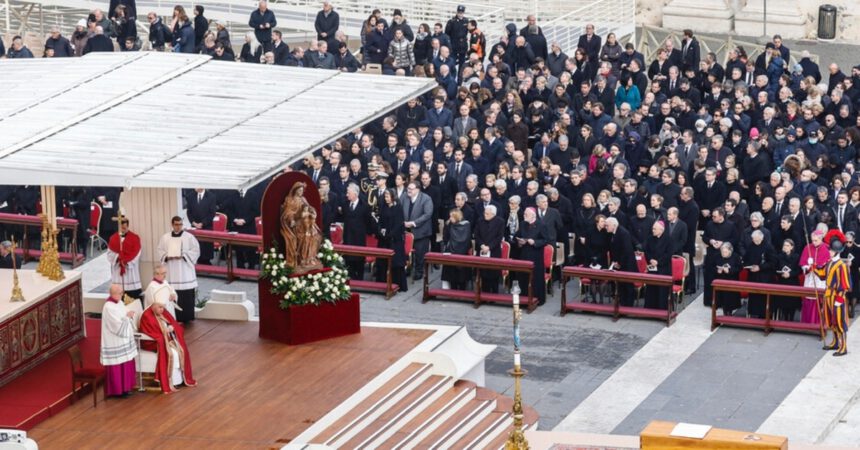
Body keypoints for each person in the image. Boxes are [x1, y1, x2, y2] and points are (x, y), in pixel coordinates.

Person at [139, 293, 198, 392]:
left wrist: (172, 328)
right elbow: (148, 332)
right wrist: (164, 333)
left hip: (168, 339)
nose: (162, 310)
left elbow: (174, 323)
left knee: (181, 350)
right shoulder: (146, 316)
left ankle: (180, 380)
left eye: (163, 307)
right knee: (173, 354)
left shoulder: (163, 311)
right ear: (153, 305)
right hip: (154, 342)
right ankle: (172, 381)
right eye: (160, 307)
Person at [155, 216, 200, 323]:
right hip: (171, 271)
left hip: (185, 272)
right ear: (172, 224)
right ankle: (173, 317)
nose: (178, 227)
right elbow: (159, 250)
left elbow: (196, 250)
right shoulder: (165, 238)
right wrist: (167, 256)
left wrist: (184, 256)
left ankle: (187, 317)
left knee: (186, 295)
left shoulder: (189, 237)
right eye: (176, 224)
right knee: (173, 293)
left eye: (180, 224)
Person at [812, 239, 850, 356]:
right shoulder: (829, 262)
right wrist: (813, 265)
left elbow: (845, 285)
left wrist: (839, 299)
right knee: (831, 321)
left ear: (837, 252)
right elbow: (823, 274)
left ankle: (843, 347)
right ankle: (835, 343)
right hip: (828, 295)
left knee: (839, 321)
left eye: (832, 250)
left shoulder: (841, 266)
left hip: (837, 297)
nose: (830, 252)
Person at [100, 284, 137, 398]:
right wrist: (127, 317)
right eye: (120, 293)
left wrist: (128, 315)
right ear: (113, 293)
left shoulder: (119, 302)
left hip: (123, 340)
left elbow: (124, 313)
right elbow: (116, 325)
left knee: (125, 363)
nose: (122, 295)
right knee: (117, 365)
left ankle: (126, 388)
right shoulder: (108, 307)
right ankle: (117, 391)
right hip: (114, 340)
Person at [515, 207, 548, 305]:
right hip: (524, 254)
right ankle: (524, 298)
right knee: (523, 277)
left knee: (536, 278)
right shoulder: (522, 224)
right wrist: (519, 242)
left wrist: (534, 242)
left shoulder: (541, 225)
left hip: (536, 255)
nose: (524, 216)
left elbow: (545, 240)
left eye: (526, 214)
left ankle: (538, 299)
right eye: (524, 214)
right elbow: (517, 236)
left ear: (533, 215)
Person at [376, 188, 407, 291]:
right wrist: (380, 231)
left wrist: (390, 234)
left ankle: (397, 284)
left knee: (395, 263)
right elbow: (380, 220)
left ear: (393, 197)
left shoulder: (398, 208)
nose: (386, 199)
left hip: (394, 240)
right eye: (385, 196)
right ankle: (382, 282)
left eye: (388, 196)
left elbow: (399, 224)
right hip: (384, 239)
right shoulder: (384, 207)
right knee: (382, 262)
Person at [107, 216, 143, 301]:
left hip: (130, 271)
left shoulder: (134, 238)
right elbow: (109, 254)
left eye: (125, 227)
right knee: (118, 294)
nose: (123, 229)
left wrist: (126, 262)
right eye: (122, 227)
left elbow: (137, 253)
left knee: (133, 300)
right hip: (118, 272)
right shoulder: (113, 238)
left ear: (128, 226)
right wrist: (118, 258)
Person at [403, 181, 433, 280]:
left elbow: (427, 214)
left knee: (420, 253)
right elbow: (399, 208)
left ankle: (419, 271)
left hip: (421, 230)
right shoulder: (404, 197)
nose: (409, 191)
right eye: (408, 188)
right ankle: (408, 268)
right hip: (406, 230)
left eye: (411, 189)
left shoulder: (426, 198)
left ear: (418, 190)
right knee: (406, 251)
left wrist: (413, 222)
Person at [605, 217, 637, 306]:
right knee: (621, 285)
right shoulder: (613, 233)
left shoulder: (623, 233)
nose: (606, 227)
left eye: (607, 225)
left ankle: (628, 305)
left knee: (628, 285)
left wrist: (619, 262)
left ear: (614, 225)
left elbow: (626, 251)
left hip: (627, 264)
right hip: (620, 263)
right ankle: (623, 303)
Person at [800, 229, 829, 323]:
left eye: (816, 240)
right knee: (808, 298)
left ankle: (818, 323)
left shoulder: (826, 248)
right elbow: (802, 263)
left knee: (818, 300)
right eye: (812, 240)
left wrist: (816, 266)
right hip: (809, 278)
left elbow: (826, 264)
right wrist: (806, 266)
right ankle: (807, 322)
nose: (813, 242)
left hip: (820, 279)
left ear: (821, 239)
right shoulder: (807, 247)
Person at [643, 220, 671, 310]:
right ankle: (649, 309)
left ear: (661, 230)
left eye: (655, 229)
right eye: (653, 228)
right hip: (652, 268)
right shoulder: (650, 238)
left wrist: (658, 262)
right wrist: (650, 259)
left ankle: (661, 310)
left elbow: (669, 254)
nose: (653, 230)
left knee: (662, 291)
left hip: (663, 269)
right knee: (651, 289)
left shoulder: (668, 239)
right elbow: (646, 251)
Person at [441, 208, 472, 290]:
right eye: (450, 216)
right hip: (450, 250)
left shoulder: (466, 225)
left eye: (452, 217)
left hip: (463, 250)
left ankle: (462, 287)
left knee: (462, 272)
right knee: (451, 271)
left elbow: (466, 239)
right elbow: (445, 237)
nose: (450, 218)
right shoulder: (449, 224)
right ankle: (452, 287)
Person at [186, 188, 216, 265]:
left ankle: (207, 262)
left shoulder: (211, 196)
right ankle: (198, 262)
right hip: (195, 226)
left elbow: (212, 213)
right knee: (196, 245)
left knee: (206, 247)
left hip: (207, 225)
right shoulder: (190, 196)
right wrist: (193, 222)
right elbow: (189, 211)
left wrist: (203, 223)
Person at [713, 243, 741, 316]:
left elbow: (739, 268)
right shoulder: (717, 256)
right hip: (721, 280)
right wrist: (717, 271)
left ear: (730, 251)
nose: (723, 254)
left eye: (725, 252)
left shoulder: (736, 257)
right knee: (720, 298)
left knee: (730, 298)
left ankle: (729, 311)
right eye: (722, 252)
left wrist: (730, 271)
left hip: (732, 280)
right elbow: (712, 267)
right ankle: (723, 311)